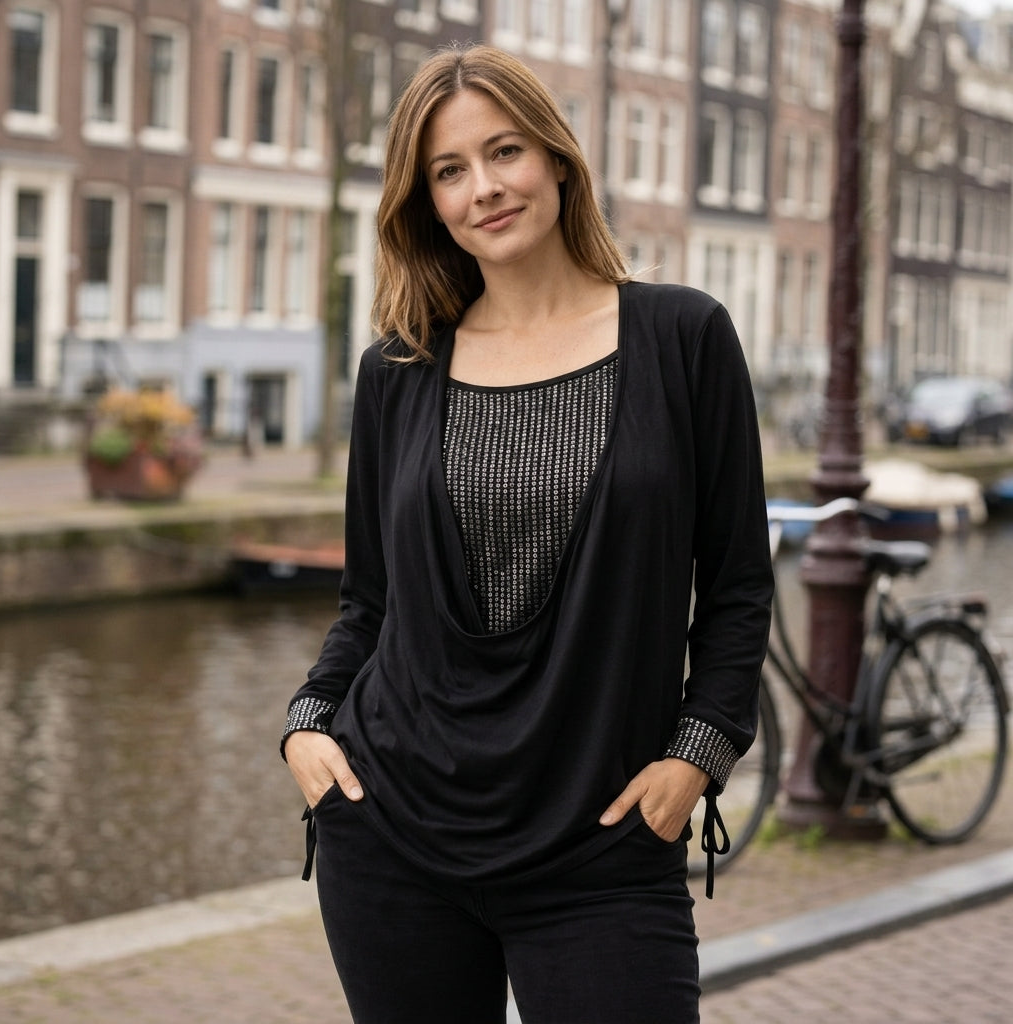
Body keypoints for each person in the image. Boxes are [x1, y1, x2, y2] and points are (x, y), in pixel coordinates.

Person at [282, 43, 773, 1024]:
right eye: (449, 170)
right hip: (393, 838)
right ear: (427, 203)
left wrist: (699, 754)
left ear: (556, 156)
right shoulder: (398, 370)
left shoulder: (683, 338)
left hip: (601, 850)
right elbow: (369, 601)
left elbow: (736, 587)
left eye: (503, 151)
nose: (484, 188)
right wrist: (306, 723)